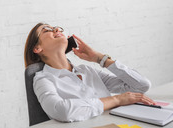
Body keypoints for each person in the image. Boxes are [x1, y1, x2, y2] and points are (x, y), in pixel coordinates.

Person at [24, 23, 154, 122]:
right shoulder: (43, 79)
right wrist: (116, 99)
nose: (57, 30)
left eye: (57, 28)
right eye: (47, 30)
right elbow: (61, 110)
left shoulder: (87, 71)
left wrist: (100, 58)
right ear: (37, 48)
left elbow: (141, 86)